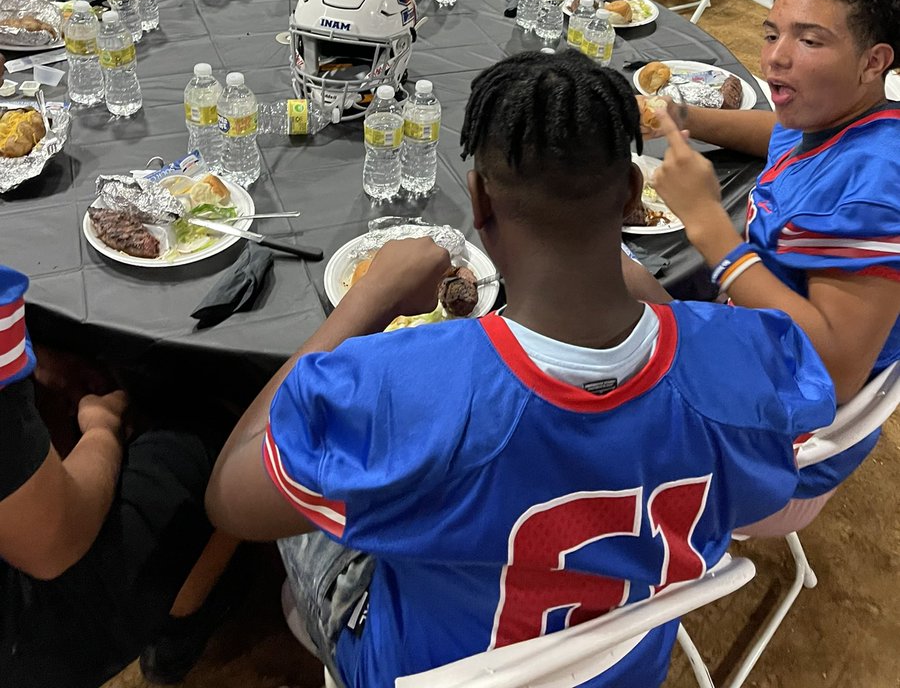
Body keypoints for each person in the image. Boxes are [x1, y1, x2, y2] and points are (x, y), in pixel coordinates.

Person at [206, 50, 834, 688]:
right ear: (631, 193)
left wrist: (375, 295)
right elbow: (761, 490)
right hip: (626, 662)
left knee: (295, 461)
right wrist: (651, 299)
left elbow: (231, 499)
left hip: (413, 664)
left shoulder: (397, 389)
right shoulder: (754, 358)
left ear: (478, 200)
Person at [652, 0, 900, 536]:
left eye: (810, 41)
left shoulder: (870, 195)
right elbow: (781, 133)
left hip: (774, 456)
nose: (774, 58)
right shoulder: (841, 116)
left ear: (873, 62)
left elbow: (835, 370)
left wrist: (712, 229)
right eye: (771, 33)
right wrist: (680, 116)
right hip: (749, 347)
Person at [0, 264, 219, 688]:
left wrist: (32, 357)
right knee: (206, 428)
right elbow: (54, 541)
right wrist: (102, 428)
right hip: (20, 634)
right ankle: (176, 641)